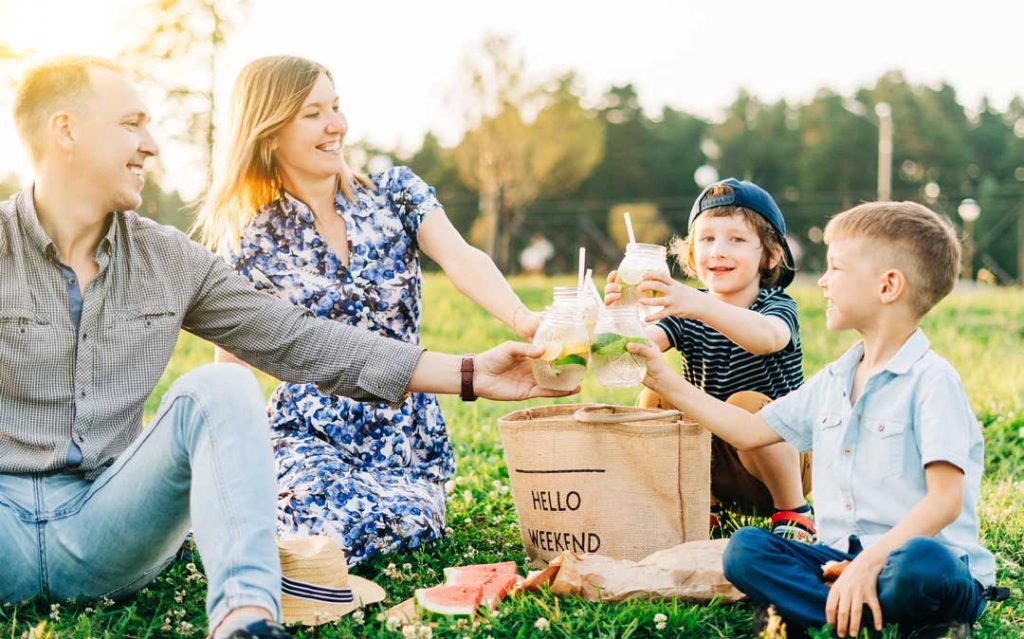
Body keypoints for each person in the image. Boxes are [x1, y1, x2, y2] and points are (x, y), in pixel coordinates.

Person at [0, 55, 571, 639]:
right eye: (132, 124)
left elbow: (304, 343)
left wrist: (473, 373)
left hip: (108, 527)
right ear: (66, 130)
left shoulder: (171, 261)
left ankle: (247, 620)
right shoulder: (251, 233)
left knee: (220, 387)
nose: (152, 145)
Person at [191, 55, 544, 567]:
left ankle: (275, 538)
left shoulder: (395, 193)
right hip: (307, 431)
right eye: (313, 114)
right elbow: (233, 365)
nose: (337, 125)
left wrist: (522, 318)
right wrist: (226, 460)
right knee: (322, 516)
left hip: (404, 433)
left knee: (399, 522)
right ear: (269, 133)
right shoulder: (251, 240)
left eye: (335, 106)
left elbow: (461, 257)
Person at [628, 201, 996, 637]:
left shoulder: (933, 381)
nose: (822, 281)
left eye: (836, 268)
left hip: (912, 562)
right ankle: (859, 611)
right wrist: (662, 379)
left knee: (924, 565)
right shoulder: (836, 379)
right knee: (745, 550)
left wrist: (869, 565)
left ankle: (812, 608)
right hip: (838, 559)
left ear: (889, 285)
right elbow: (747, 432)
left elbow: (945, 502)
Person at [605, 178, 814, 541]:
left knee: (746, 404)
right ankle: (702, 505)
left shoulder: (776, 306)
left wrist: (701, 305)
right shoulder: (684, 311)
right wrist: (621, 316)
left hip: (782, 465)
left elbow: (768, 338)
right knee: (654, 399)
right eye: (707, 239)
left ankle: (794, 514)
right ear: (690, 253)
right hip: (716, 466)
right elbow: (639, 347)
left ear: (770, 255)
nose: (717, 250)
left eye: (736, 239)